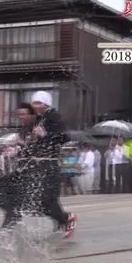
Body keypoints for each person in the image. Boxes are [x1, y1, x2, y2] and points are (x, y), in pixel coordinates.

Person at [17, 91, 77, 238]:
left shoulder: (53, 117)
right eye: (34, 103)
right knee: (38, 200)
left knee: (47, 198)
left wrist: (46, 135)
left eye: (39, 103)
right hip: (38, 165)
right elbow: (35, 141)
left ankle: (67, 218)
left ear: (47, 104)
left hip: (49, 165)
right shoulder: (39, 119)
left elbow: (64, 137)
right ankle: (60, 219)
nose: (36, 106)